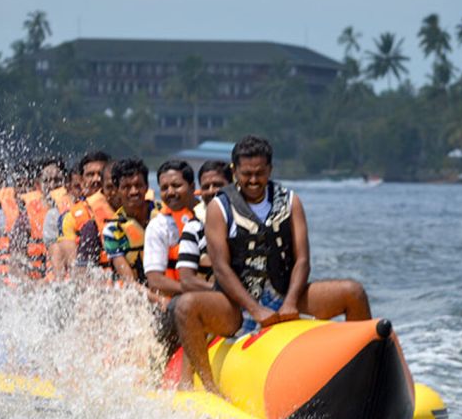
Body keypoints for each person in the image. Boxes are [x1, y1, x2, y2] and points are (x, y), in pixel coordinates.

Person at [174, 135, 372, 394]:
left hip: (286, 294)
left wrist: (290, 302)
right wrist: (255, 309)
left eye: (260, 173)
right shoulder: (219, 208)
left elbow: (302, 260)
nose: (254, 180)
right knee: (185, 306)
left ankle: (362, 380)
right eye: (246, 174)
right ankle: (209, 388)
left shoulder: (290, 201)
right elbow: (221, 268)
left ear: (270, 169)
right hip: (236, 304)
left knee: (352, 293)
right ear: (234, 171)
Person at [175, 160, 233, 292]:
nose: (211, 191)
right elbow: (187, 280)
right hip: (214, 298)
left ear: (232, 186)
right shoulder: (194, 227)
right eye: (206, 187)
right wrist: (226, 292)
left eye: (218, 185)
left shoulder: (245, 221)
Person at [144, 160, 198, 298]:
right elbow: (155, 280)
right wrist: (198, 291)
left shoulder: (210, 216)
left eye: (176, 185)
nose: (170, 192)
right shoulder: (158, 226)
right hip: (178, 301)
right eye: (164, 188)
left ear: (192, 187)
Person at [101, 158, 160, 284]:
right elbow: (130, 283)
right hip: (138, 292)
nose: (134, 192)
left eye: (138, 185)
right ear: (117, 190)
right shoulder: (113, 231)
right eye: (126, 187)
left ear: (147, 187)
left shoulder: (164, 216)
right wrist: (159, 300)